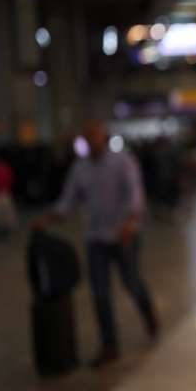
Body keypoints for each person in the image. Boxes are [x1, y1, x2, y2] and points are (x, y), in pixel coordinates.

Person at [32, 120, 159, 368]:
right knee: (99, 293)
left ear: (104, 137)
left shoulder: (123, 162)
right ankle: (109, 345)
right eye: (86, 137)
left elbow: (135, 195)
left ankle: (148, 313)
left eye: (94, 136)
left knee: (131, 282)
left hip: (124, 236)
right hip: (96, 239)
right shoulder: (80, 169)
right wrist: (48, 218)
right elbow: (68, 201)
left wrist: (130, 224)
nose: (91, 141)